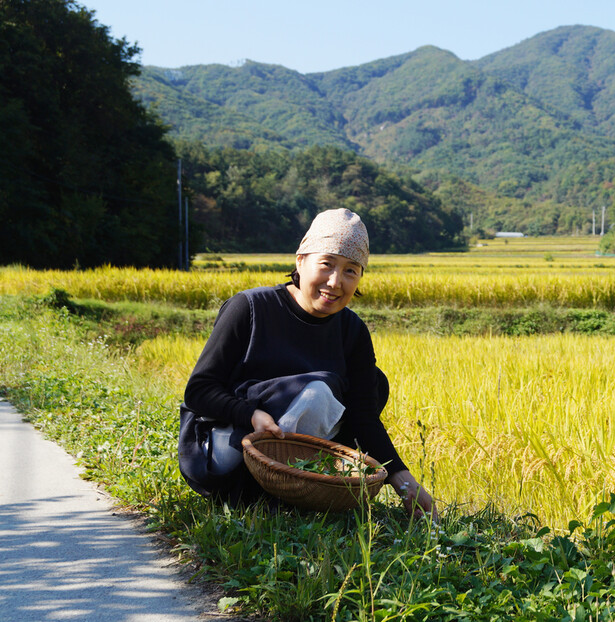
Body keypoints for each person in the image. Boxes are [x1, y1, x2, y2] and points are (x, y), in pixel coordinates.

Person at [181, 208, 436, 518]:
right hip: (230, 450)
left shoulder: (352, 331)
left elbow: (363, 419)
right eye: (326, 264)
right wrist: (251, 415)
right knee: (318, 391)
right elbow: (199, 391)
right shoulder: (249, 308)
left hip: (297, 454)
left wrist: (404, 483)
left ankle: (302, 492)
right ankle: (270, 500)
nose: (335, 281)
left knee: (372, 384)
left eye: (350, 271)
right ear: (300, 259)